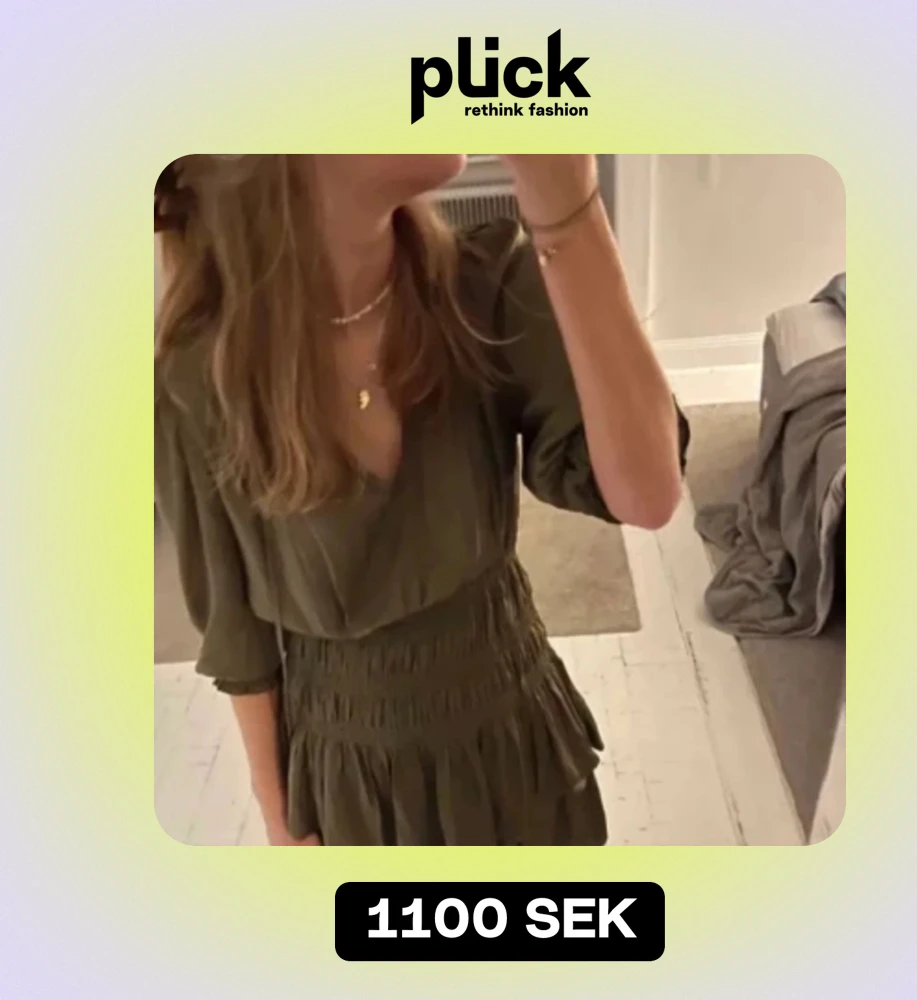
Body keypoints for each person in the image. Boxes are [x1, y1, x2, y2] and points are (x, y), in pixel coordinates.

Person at [154, 154, 689, 846]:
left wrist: (569, 208)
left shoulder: (483, 285)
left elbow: (648, 495)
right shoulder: (201, 373)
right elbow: (236, 630)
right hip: (353, 783)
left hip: (516, 737)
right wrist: (279, 822)